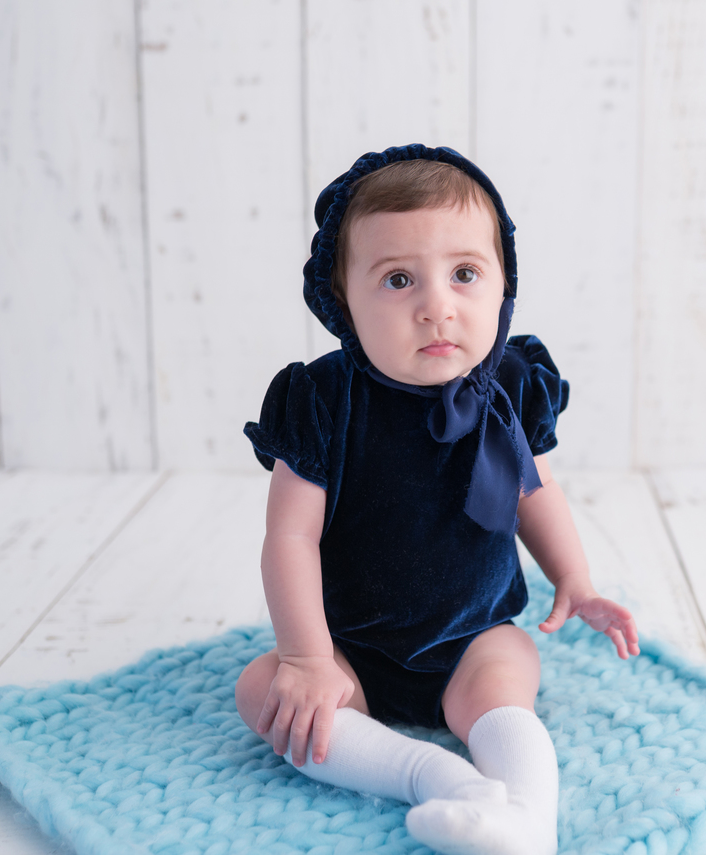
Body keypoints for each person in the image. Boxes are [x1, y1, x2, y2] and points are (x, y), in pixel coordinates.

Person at [235, 144, 639, 855]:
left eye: (464, 274)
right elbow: (290, 536)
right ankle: (436, 779)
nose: (437, 308)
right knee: (262, 691)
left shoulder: (510, 383)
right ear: (342, 300)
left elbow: (534, 490)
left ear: (503, 284)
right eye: (398, 279)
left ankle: (529, 820)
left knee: (507, 673)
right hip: (349, 644)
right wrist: (306, 656)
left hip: (472, 636)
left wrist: (574, 577)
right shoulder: (324, 400)